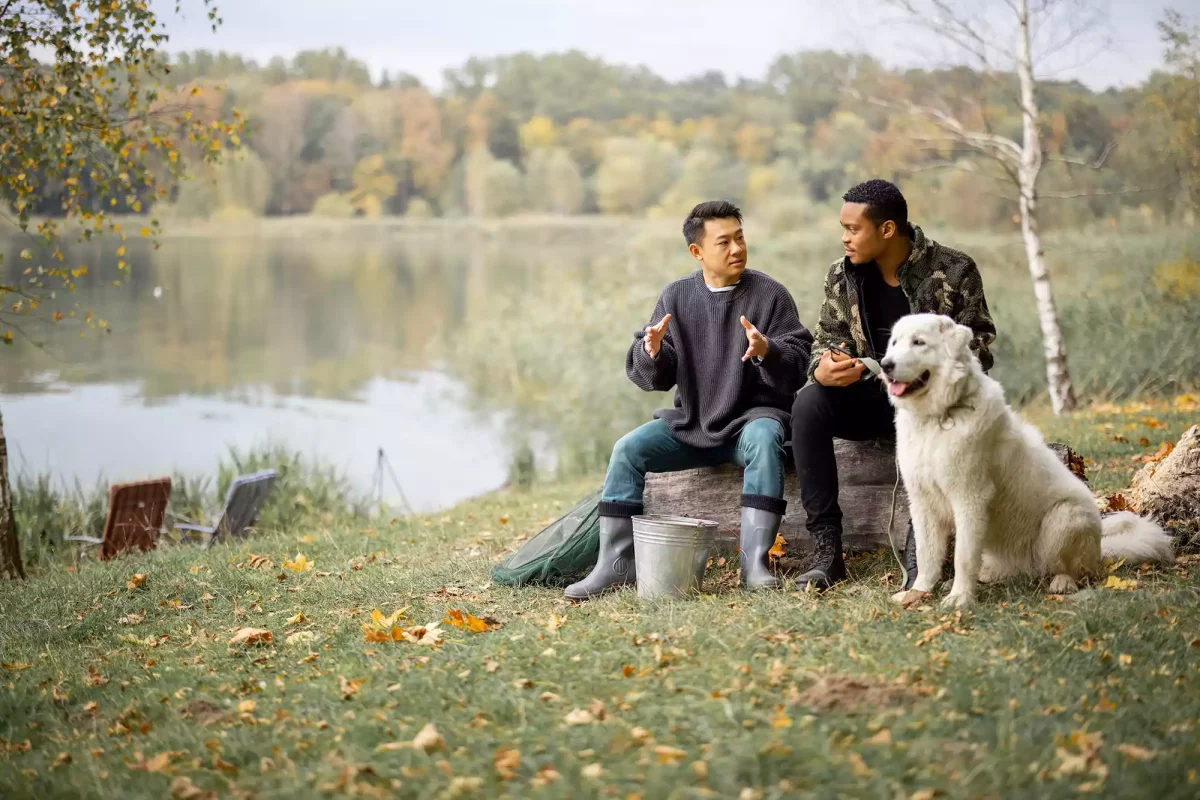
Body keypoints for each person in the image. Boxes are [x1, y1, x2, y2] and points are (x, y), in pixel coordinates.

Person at [565, 200, 814, 600]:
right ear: (697, 252)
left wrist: (767, 350)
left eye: (740, 237)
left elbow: (798, 367)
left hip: (750, 423)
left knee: (767, 435)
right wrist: (653, 351)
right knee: (627, 449)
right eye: (724, 242)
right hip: (692, 422)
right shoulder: (676, 297)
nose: (737, 249)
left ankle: (754, 564)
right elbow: (654, 378)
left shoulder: (770, 295)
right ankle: (616, 566)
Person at [790, 179, 996, 591]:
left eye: (853, 229)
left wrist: (933, 379)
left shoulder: (954, 271)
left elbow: (981, 349)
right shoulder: (841, 275)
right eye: (843, 228)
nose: (844, 237)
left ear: (886, 229)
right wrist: (822, 369)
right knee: (809, 403)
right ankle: (827, 552)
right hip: (872, 398)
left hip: (935, 406)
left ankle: (920, 552)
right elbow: (824, 340)